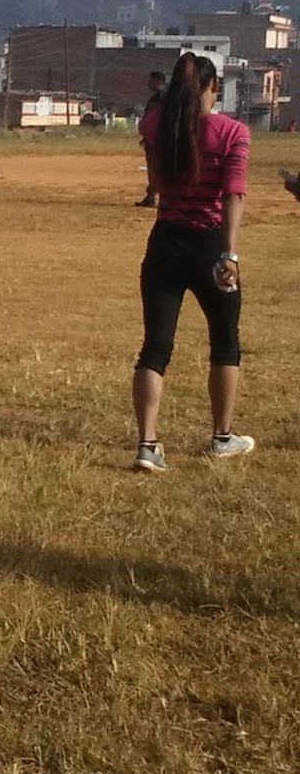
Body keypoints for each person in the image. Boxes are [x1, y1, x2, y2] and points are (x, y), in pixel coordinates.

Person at [130, 53, 250, 472]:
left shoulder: (155, 126)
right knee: (225, 340)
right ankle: (221, 436)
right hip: (210, 245)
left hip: (165, 243)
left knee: (156, 346)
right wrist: (229, 253)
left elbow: (154, 175)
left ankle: (147, 445)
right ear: (214, 87)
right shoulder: (233, 133)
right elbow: (233, 194)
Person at [134, 70, 168, 207]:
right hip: (151, 139)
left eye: (151, 80)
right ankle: (151, 195)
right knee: (152, 168)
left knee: (159, 168)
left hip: (160, 139)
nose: (148, 83)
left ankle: (162, 197)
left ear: (158, 81)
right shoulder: (154, 98)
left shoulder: (165, 98)